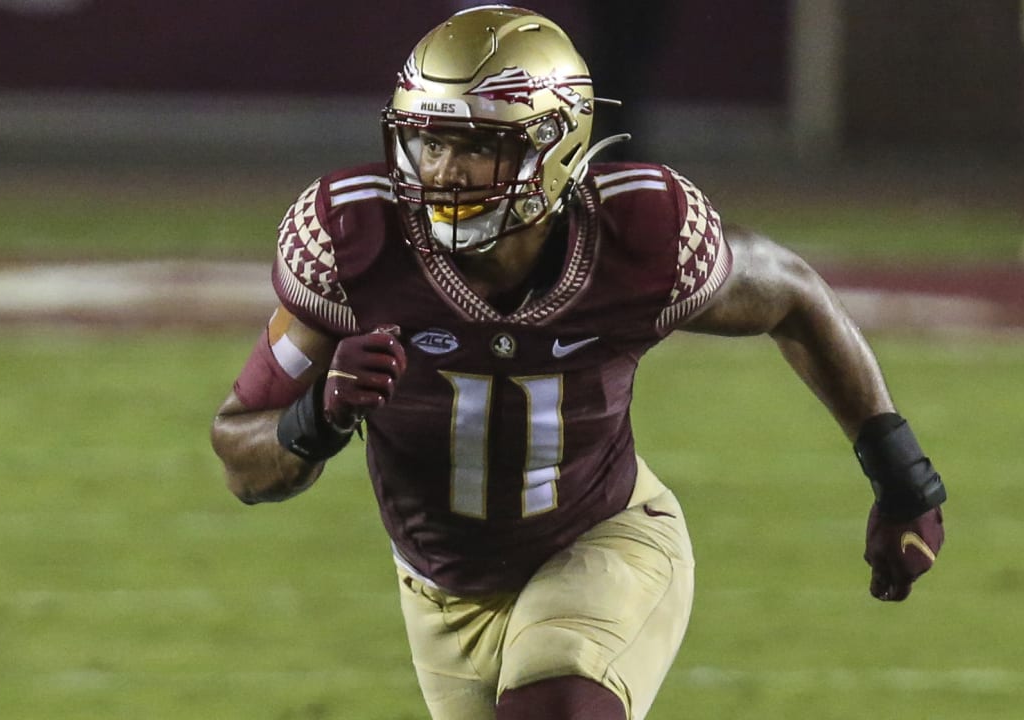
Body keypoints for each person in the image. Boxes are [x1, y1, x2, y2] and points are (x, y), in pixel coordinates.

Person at [210, 5, 947, 720]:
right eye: (429, 142)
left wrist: (901, 476)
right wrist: (317, 418)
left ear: (552, 144)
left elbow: (793, 297)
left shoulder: (639, 235)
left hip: (600, 542)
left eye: (476, 147)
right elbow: (242, 460)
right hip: (440, 592)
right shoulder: (354, 243)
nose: (445, 171)